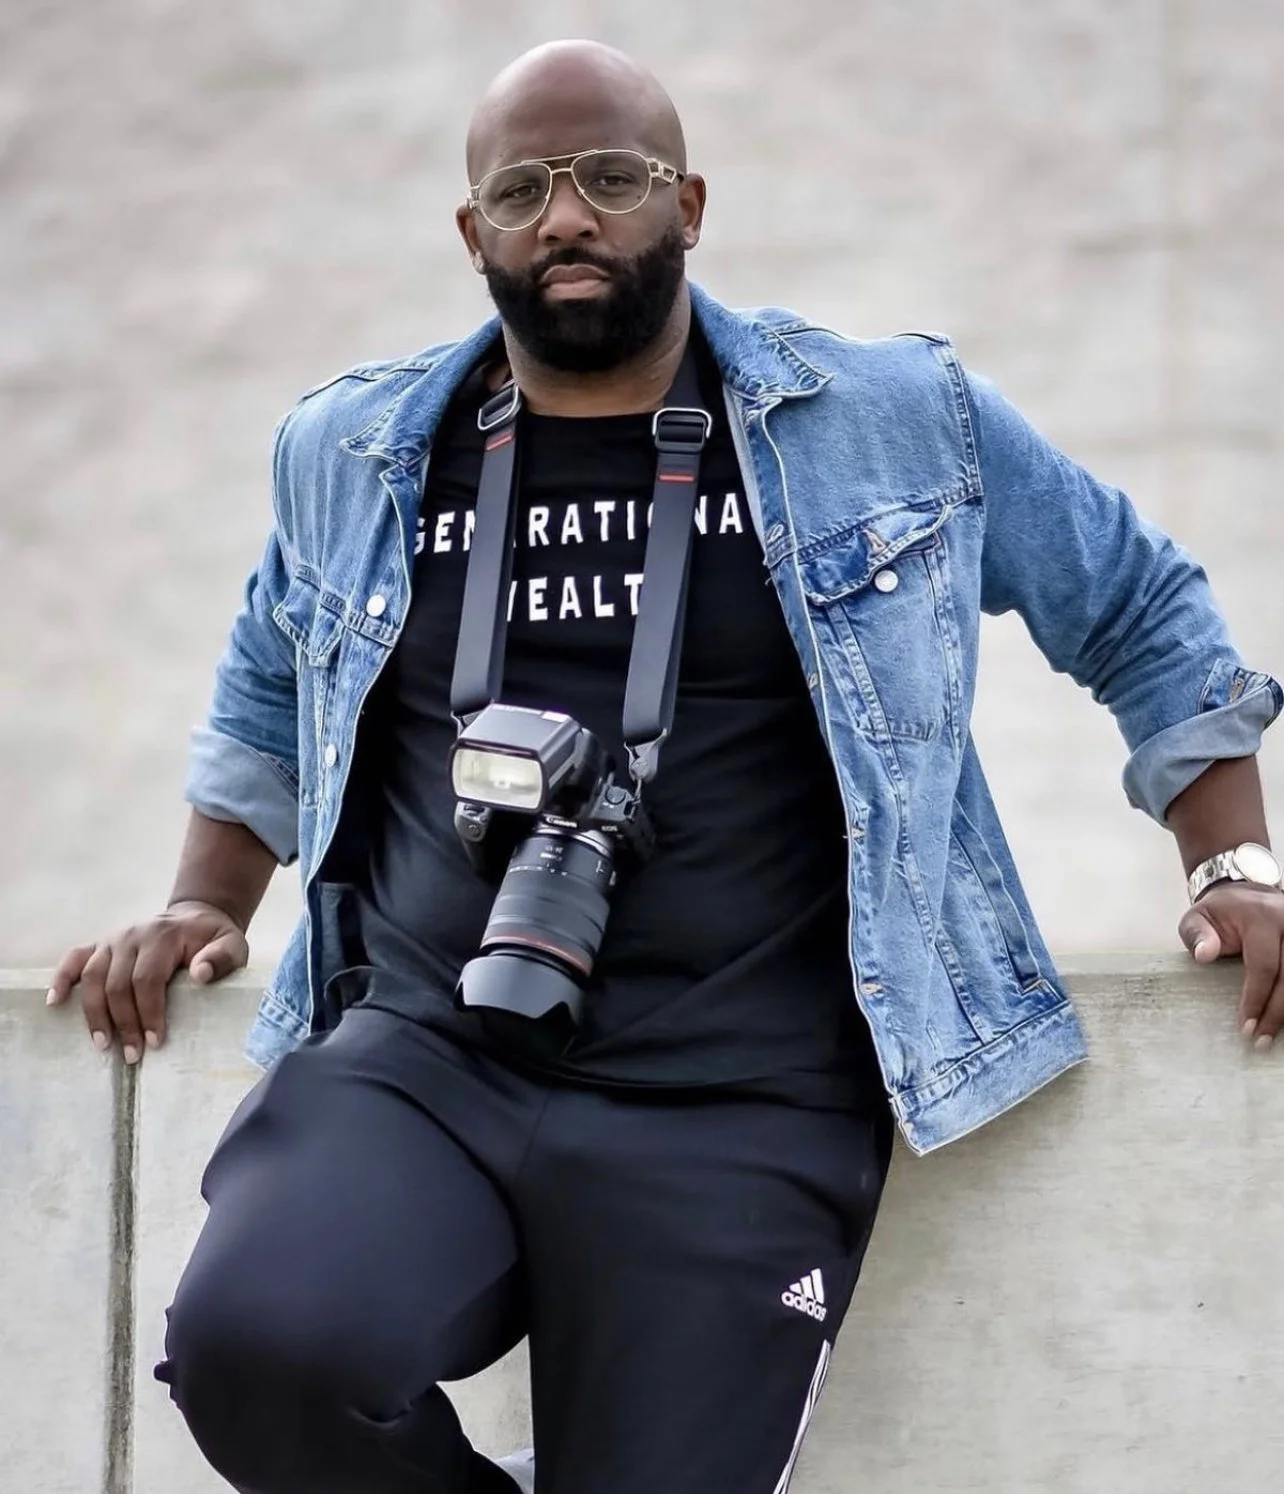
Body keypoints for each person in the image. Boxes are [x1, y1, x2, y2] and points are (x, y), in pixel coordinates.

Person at [49, 37, 1284, 1494]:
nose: (567, 217)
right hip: (424, 1057)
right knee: (260, 1346)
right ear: (473, 234)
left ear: (689, 204)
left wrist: (1231, 861)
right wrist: (206, 901)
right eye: (522, 190)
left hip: (743, 1098)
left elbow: (1136, 603)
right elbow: (272, 676)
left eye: (613, 178)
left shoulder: (886, 418)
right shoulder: (356, 448)